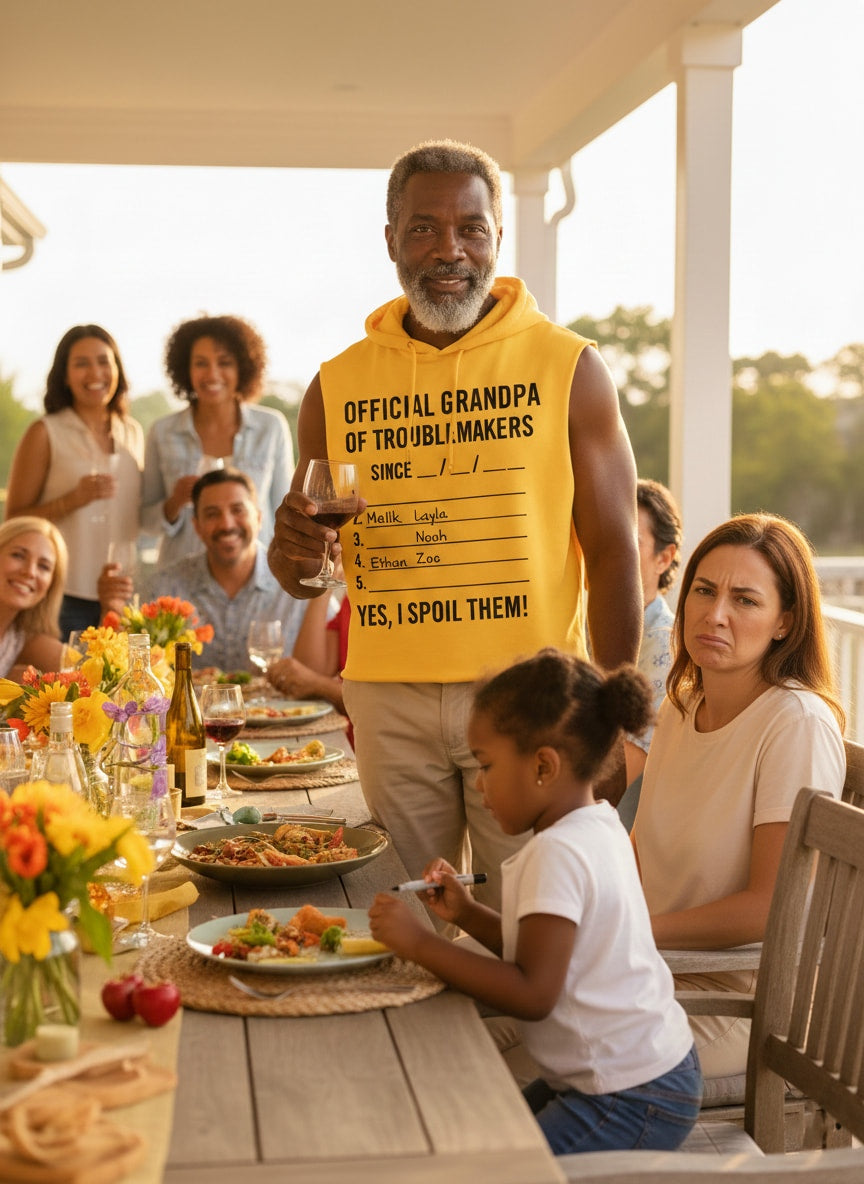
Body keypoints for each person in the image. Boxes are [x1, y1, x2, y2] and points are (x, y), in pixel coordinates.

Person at [268, 139, 642, 907]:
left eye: (471, 228)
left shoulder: (569, 367)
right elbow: (310, 573)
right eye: (424, 228)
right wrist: (294, 552)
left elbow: (614, 551)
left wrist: (612, 716)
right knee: (414, 917)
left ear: (498, 235)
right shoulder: (335, 386)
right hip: (388, 699)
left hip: (531, 694)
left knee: (532, 914)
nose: (450, 250)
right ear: (391, 240)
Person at [368, 649, 701, 1156]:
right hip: (644, 1072)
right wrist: (466, 913)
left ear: (544, 766)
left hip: (630, 1094)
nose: (479, 784)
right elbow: (543, 955)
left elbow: (533, 992)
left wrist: (419, 944)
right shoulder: (598, 823)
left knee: (506, 1168)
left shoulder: (558, 854)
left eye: (486, 765)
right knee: (489, 1147)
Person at [632, 512, 846, 1082]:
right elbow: (640, 848)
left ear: (785, 622)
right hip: (656, 968)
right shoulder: (679, 707)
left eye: (746, 600)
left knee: (520, 1057)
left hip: (743, 1001)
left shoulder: (795, 723)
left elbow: (771, 905)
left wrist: (634, 930)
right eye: (704, 590)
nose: (715, 614)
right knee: (475, 1011)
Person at [5, 325, 142, 636]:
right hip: (60, 597)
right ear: (65, 376)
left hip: (121, 596)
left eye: (104, 361)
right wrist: (73, 499)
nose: (95, 372)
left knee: (127, 670)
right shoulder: (45, 432)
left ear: (117, 369)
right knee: (64, 670)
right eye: (81, 363)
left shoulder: (132, 432)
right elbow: (14, 521)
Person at [141, 314, 294, 566]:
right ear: (186, 369)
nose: (212, 374)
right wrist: (175, 502)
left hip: (255, 576)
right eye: (201, 363)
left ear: (243, 368)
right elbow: (145, 522)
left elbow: (284, 513)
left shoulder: (271, 427)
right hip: (181, 577)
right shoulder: (162, 432)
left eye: (225, 362)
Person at [134, 468, 304, 672]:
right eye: (212, 514)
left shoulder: (298, 583)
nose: (226, 524)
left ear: (259, 519)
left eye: (237, 510)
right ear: (197, 527)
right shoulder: (163, 589)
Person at [617, 478, 682, 829]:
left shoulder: (663, 644)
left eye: (629, 539)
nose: (612, 547)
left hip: (624, 835)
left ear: (664, 558)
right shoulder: (580, 627)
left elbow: (621, 776)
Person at [268, 593, 352, 745]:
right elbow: (304, 675)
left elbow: (383, 705)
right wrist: (321, 590)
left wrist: (319, 685)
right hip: (351, 745)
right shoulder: (353, 598)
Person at [0, 517, 68, 679]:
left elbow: (90, 677)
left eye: (43, 566)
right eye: (18, 555)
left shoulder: (21, 639)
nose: (30, 572)